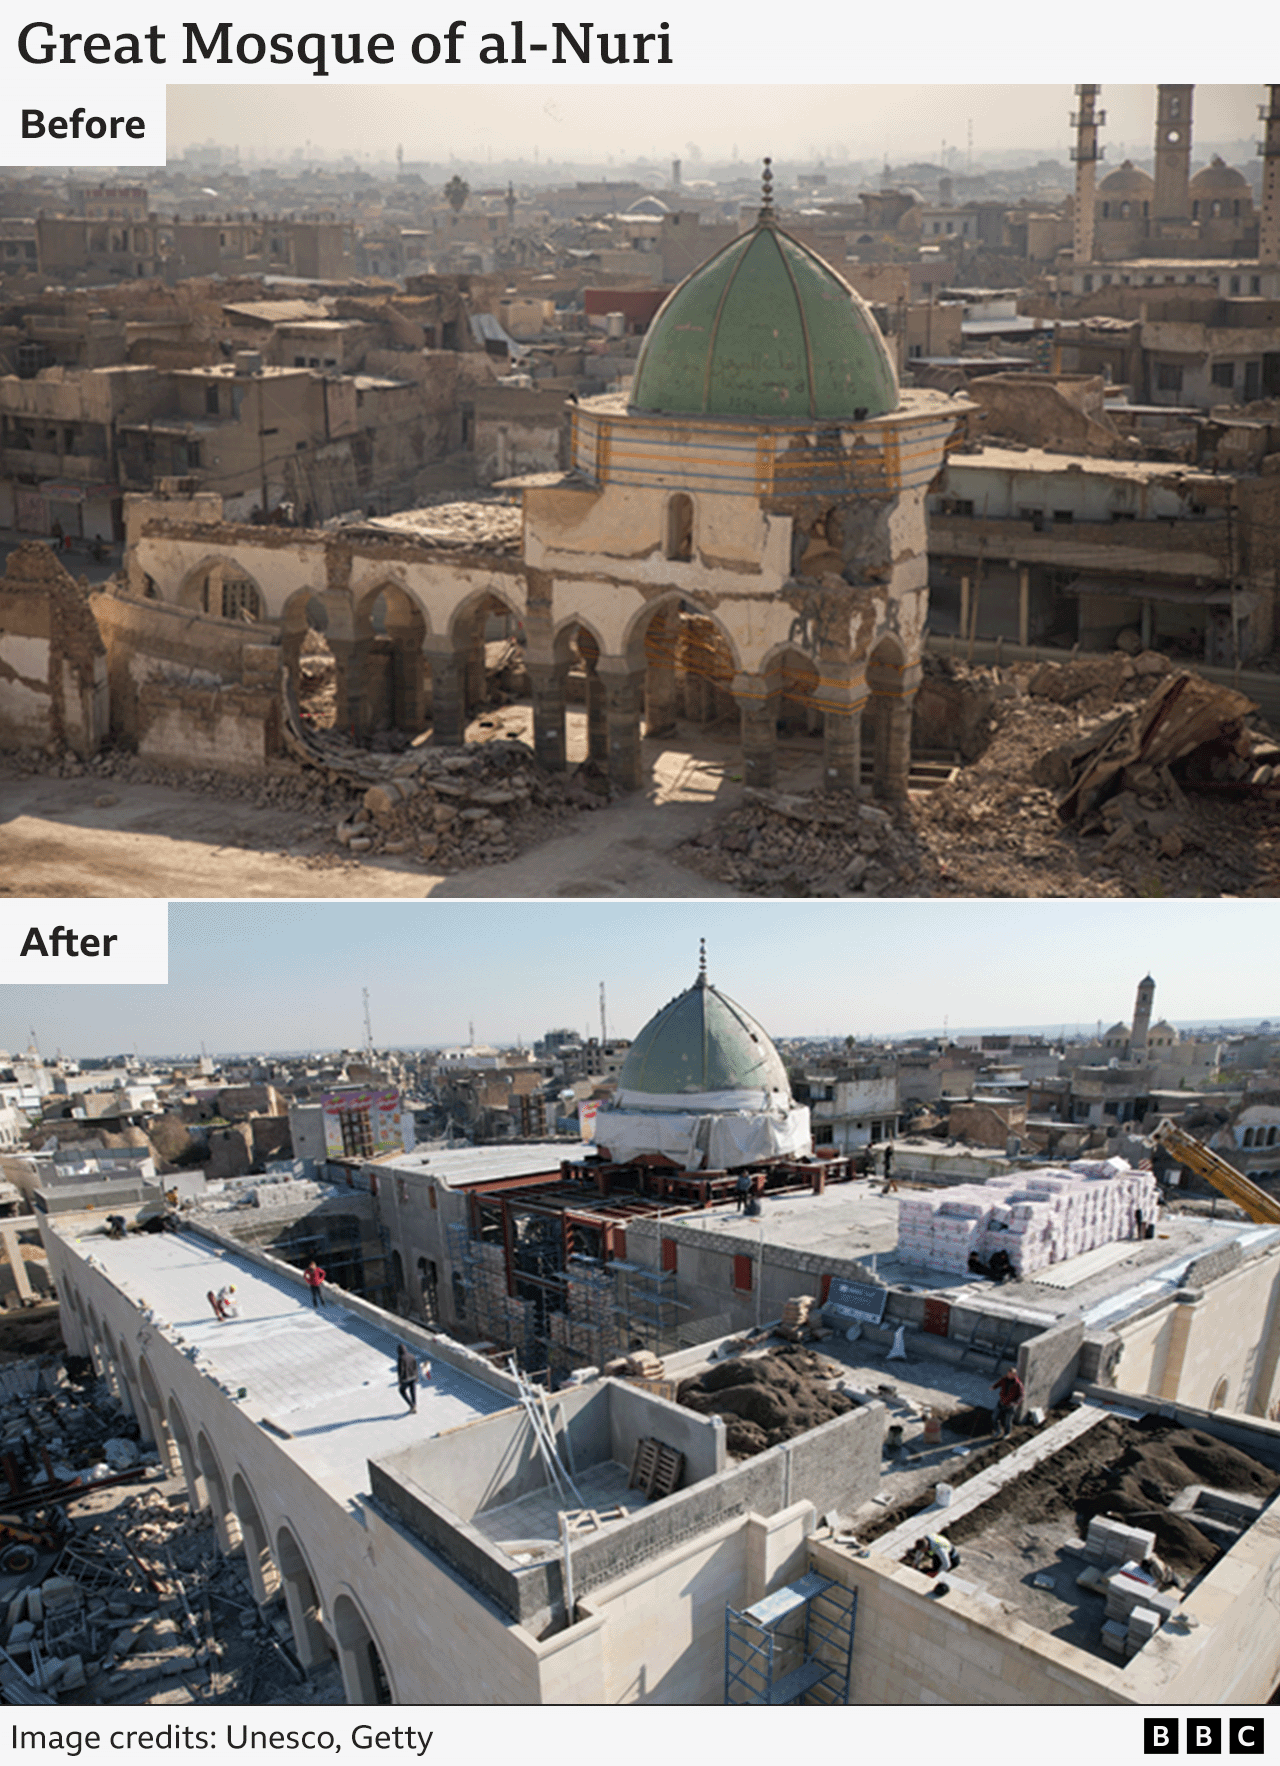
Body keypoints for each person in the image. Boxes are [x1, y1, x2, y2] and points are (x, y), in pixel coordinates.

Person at [991, 1365, 1024, 1438]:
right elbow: (998, 1383)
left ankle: (1007, 1433)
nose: (1009, 1375)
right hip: (1001, 1402)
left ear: (1014, 1375)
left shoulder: (1018, 1384)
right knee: (994, 1417)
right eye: (1008, 1373)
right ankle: (998, 1430)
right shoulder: (1004, 1379)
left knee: (1007, 1421)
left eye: (1011, 1374)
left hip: (1010, 1405)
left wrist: (1015, 1403)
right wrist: (993, 1387)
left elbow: (1021, 1395)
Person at [396, 1343, 419, 1412]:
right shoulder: (412, 1356)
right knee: (412, 1391)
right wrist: (417, 1376)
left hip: (406, 1378)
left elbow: (401, 1370)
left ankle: (411, 1405)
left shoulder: (401, 1358)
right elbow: (415, 1367)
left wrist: (400, 1381)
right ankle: (414, 1404)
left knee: (401, 1390)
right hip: (413, 1376)